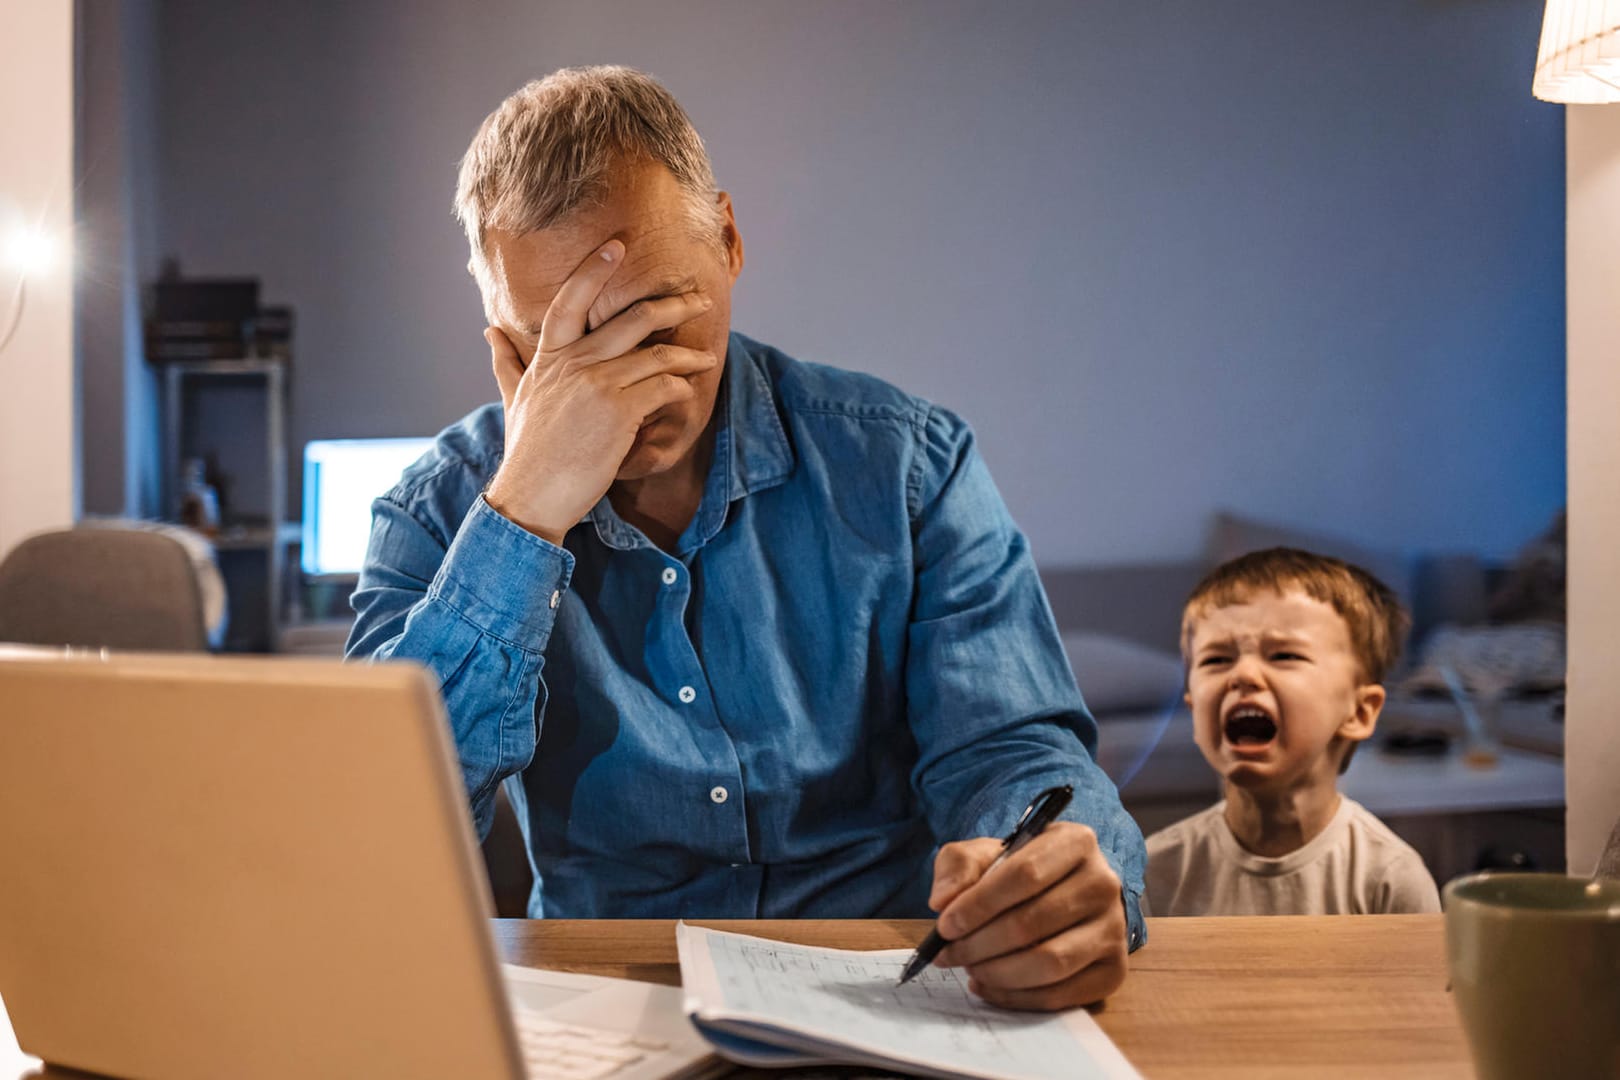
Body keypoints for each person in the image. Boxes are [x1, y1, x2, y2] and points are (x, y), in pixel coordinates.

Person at [347, 66, 1146, 1010]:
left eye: (656, 318)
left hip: (892, 987)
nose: (633, 384)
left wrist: (1047, 873)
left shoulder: (906, 465)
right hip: (601, 1001)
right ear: (506, 343)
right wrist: (522, 515)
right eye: (571, 349)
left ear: (727, 240)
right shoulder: (439, 510)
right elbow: (373, 835)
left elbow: (1011, 753)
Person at [1144, 548, 1441, 916]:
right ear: (1194, 712)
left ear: (1360, 712)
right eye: (1216, 659)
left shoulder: (1390, 879)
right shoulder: (1156, 872)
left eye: (1284, 655)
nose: (1243, 675)